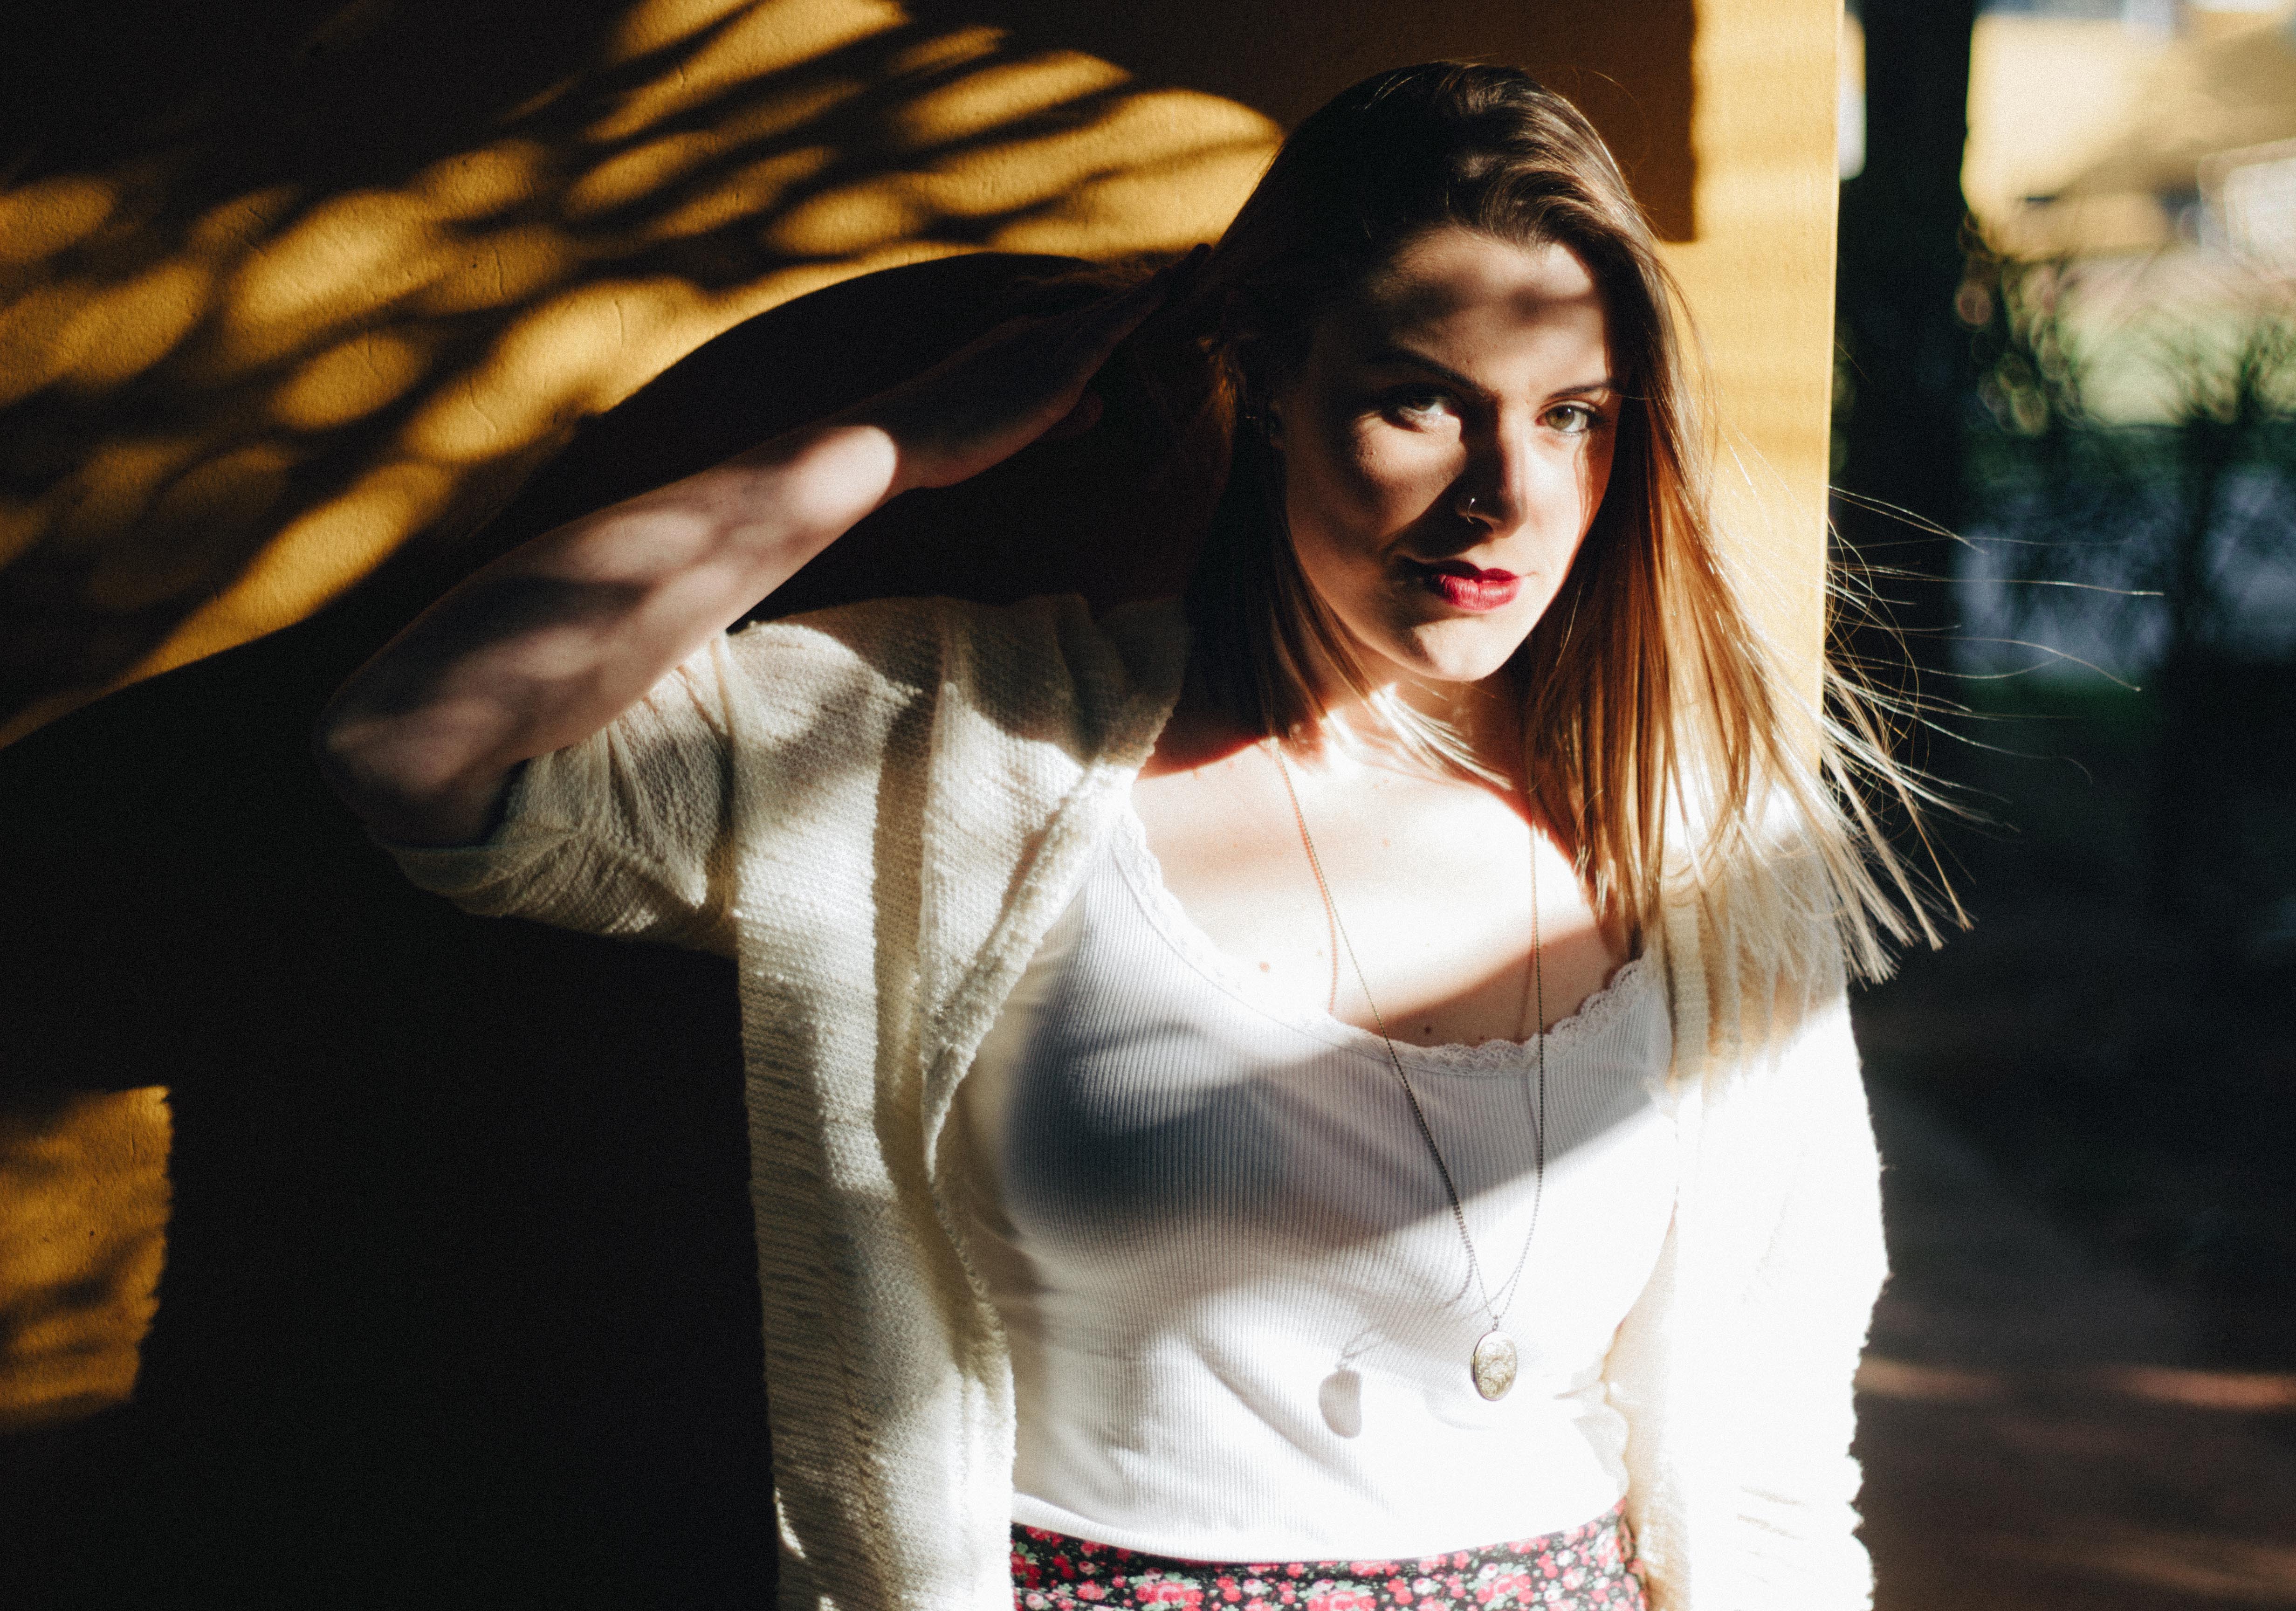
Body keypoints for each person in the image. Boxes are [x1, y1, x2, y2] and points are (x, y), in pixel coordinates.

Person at [318, 62, 1931, 1611]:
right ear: (1271, 384)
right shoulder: (961, 748)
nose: (1505, 496)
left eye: (1572, 414)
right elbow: (411, 743)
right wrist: (895, 448)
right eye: (1420, 403)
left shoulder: (1705, 832)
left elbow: (1775, 1456)